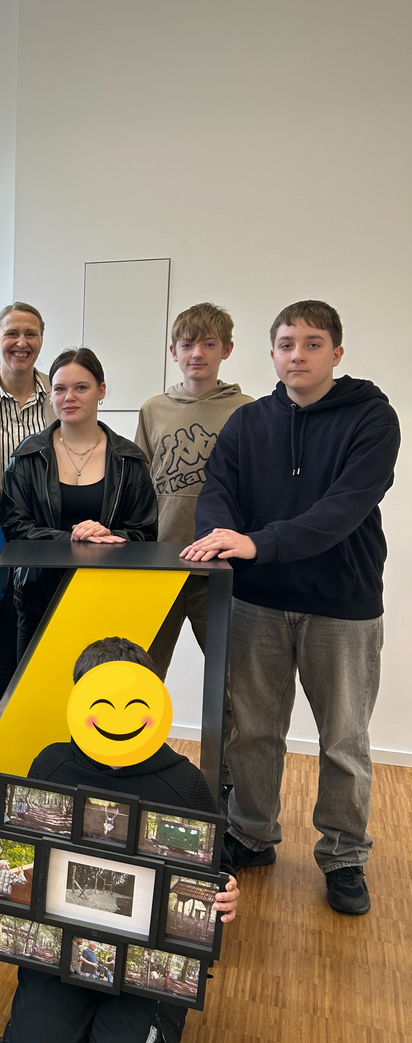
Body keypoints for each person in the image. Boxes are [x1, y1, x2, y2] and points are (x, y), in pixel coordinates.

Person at [0, 637, 239, 1043]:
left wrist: (224, 899)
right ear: (78, 702)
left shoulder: (185, 785)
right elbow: (25, 875)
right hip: (59, 962)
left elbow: (205, 887)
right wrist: (1, 846)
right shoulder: (50, 765)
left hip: (144, 976)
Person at [182, 301, 399, 916]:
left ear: (336, 352)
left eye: (311, 343)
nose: (297, 355)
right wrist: (220, 535)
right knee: (252, 731)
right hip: (258, 602)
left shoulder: (372, 419)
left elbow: (344, 508)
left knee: (343, 739)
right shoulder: (248, 422)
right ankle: (251, 834)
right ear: (271, 353)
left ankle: (344, 854)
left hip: (343, 604)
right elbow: (218, 490)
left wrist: (257, 542)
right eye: (286, 343)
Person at [0, 348, 158, 658]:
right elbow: (13, 528)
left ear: (101, 391)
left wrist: (106, 537)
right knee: (38, 701)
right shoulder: (27, 456)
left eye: (81, 387)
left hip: (108, 601)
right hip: (38, 602)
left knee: (98, 700)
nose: (69, 397)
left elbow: (145, 534)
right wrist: (73, 539)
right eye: (60, 389)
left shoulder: (130, 460)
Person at [135, 303, 253, 678]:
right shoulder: (153, 409)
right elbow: (137, 486)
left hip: (221, 569)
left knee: (234, 687)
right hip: (160, 565)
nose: (197, 354)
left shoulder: (248, 411)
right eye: (186, 345)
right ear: (173, 352)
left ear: (227, 350)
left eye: (208, 344)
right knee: (142, 678)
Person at [0, 303, 51, 717]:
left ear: (41, 340)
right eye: (12, 334)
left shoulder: (59, 396)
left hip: (46, 544)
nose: (21, 343)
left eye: (31, 334)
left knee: (44, 651)